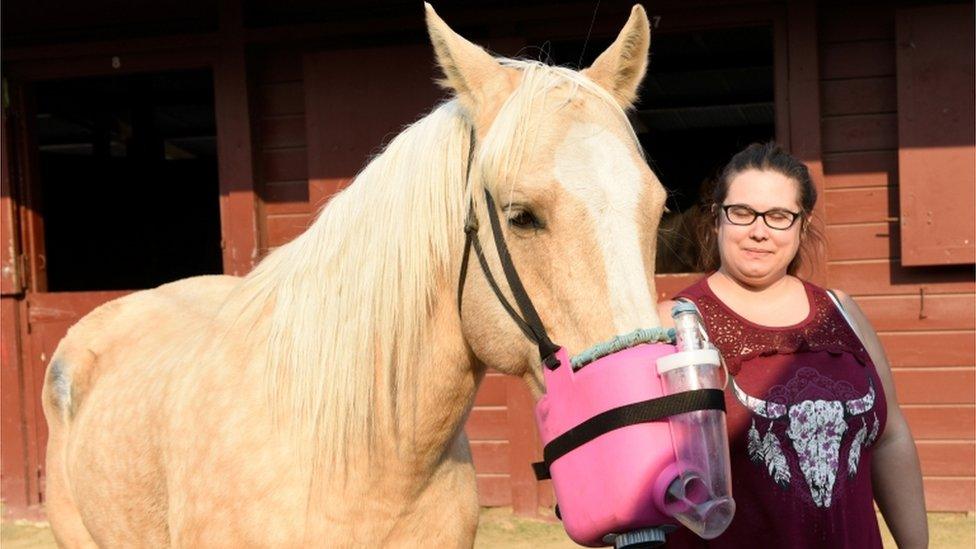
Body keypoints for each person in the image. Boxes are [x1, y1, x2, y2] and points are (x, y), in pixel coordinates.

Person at [657, 142, 928, 548]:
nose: (759, 231)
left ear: (802, 224)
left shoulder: (843, 312)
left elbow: (891, 438)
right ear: (716, 219)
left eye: (779, 216)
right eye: (742, 213)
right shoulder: (673, 322)